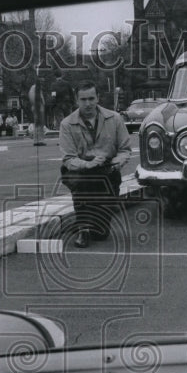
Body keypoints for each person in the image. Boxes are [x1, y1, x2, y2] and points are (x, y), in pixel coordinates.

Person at [58, 80, 131, 248]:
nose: (88, 103)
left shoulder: (115, 118)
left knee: (101, 233)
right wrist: (87, 164)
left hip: (107, 169)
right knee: (81, 184)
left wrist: (116, 163)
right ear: (77, 101)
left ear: (98, 98)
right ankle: (83, 229)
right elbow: (68, 159)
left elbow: (125, 149)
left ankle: (90, 224)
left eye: (91, 98)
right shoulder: (67, 124)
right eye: (83, 99)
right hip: (79, 170)